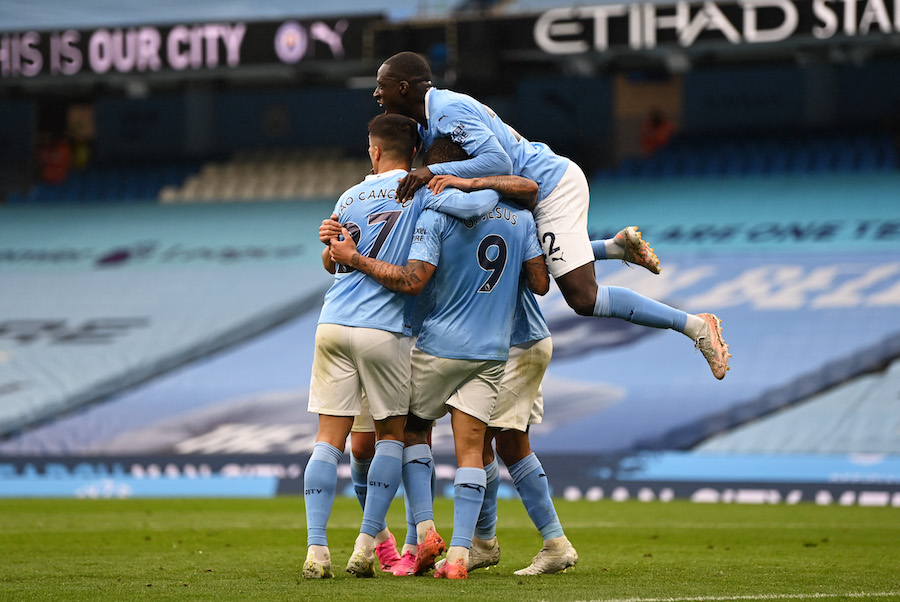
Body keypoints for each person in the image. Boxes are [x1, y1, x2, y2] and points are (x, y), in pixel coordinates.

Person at [372, 51, 731, 380]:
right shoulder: (427, 119)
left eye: (380, 86)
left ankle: (695, 326)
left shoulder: (448, 109)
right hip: (528, 192)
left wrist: (433, 174)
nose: (376, 94)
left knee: (583, 298)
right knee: (527, 265)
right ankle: (613, 247)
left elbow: (500, 162)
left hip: (551, 187)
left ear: (403, 88)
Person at [329, 137, 550, 580]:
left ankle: (422, 533)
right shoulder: (521, 216)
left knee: (408, 431)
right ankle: (459, 557)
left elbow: (415, 279)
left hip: (438, 345)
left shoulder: (435, 214)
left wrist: (354, 258)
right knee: (473, 448)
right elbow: (541, 284)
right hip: (493, 351)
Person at [303, 113, 508, 580]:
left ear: (374, 149)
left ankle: (316, 551)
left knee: (326, 443)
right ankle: (364, 546)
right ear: (414, 153)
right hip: (385, 329)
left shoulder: (350, 194)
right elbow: (475, 211)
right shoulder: (424, 192)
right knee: (392, 436)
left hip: (332, 323)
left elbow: (332, 262)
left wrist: (328, 244)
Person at [428, 171, 577, 576]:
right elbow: (541, 283)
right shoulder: (516, 217)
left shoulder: (442, 220)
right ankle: (535, 542)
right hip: (524, 339)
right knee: (508, 444)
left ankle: (493, 543)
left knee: (479, 444)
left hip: (511, 343)